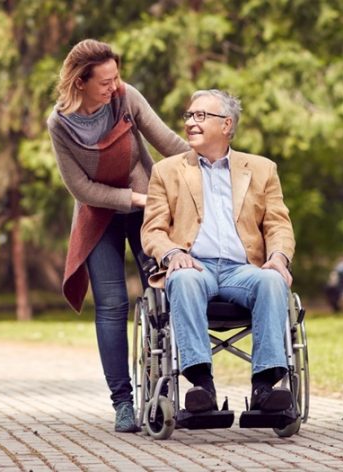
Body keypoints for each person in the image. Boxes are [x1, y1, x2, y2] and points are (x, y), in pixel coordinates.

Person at [47, 39, 190, 433]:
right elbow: (81, 189)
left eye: (115, 77)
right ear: (80, 82)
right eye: (104, 82)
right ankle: (123, 403)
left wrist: (216, 164)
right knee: (110, 305)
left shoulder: (126, 98)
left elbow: (169, 144)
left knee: (162, 289)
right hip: (99, 213)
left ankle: (174, 385)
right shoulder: (59, 125)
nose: (113, 86)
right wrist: (134, 198)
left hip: (145, 204)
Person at [141, 89, 296, 415]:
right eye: (189, 116)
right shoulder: (167, 171)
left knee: (272, 281)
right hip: (195, 266)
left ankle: (265, 389)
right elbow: (153, 230)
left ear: (226, 125)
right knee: (182, 279)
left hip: (243, 270)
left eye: (201, 116)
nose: (191, 123)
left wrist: (278, 257)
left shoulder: (262, 169)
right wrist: (171, 255)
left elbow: (278, 225)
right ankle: (201, 387)